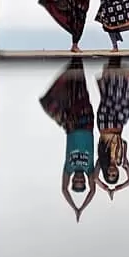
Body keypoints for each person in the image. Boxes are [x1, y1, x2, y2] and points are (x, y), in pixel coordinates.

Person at [39, 58, 98, 221]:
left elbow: (64, 190)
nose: (79, 179)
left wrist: (73, 208)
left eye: (76, 181)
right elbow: (93, 191)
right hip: (86, 123)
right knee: (80, 91)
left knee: (51, 103)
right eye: (81, 182)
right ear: (85, 180)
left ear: (72, 179)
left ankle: (72, 65)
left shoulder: (69, 168)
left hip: (71, 126)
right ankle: (77, 63)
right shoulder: (90, 170)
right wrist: (81, 208)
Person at [95, 57, 129, 199]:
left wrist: (106, 188)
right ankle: (113, 71)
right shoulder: (121, 161)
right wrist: (116, 189)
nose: (112, 172)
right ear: (117, 172)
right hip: (118, 125)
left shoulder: (101, 161)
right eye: (114, 174)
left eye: (109, 174)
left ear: (106, 173)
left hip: (105, 124)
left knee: (110, 98)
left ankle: (110, 72)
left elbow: (95, 179)